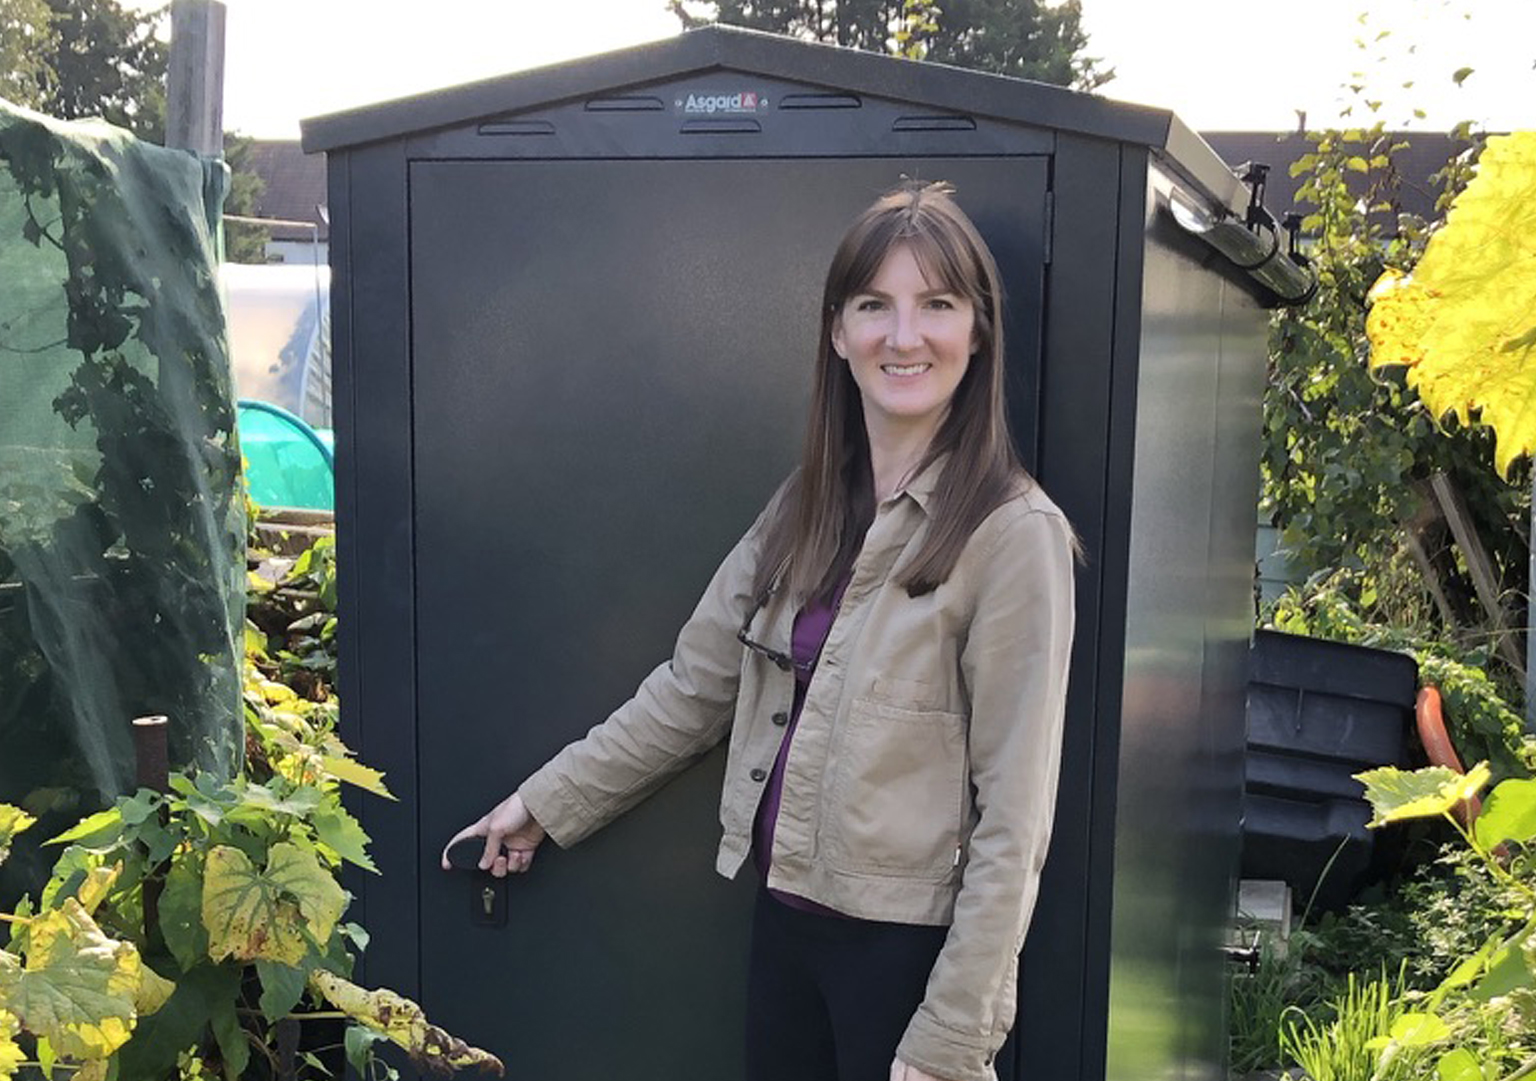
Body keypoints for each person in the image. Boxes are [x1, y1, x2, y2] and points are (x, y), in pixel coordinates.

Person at [441, 181, 1076, 1081]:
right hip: (785, 930)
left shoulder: (1013, 534)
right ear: (836, 330)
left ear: (977, 332)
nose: (904, 336)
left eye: (937, 305)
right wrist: (545, 802)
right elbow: (694, 688)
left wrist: (949, 1040)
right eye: (875, 306)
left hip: (907, 962)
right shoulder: (806, 504)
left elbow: (1016, 819)